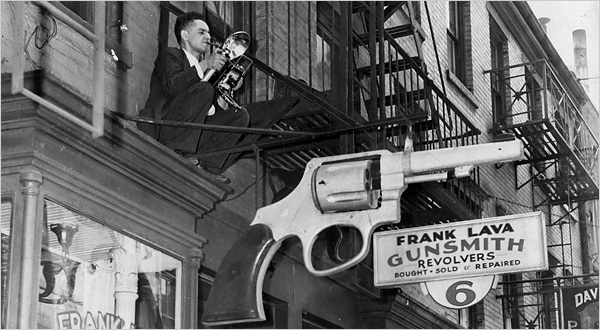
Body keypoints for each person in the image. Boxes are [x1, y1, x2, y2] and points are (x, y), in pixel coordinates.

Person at [138, 11, 250, 182]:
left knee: (240, 116)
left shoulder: (206, 75)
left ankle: (208, 167)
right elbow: (172, 86)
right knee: (204, 89)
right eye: (201, 32)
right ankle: (180, 154)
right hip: (166, 127)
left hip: (191, 135)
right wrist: (206, 64)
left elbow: (210, 113)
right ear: (185, 35)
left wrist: (227, 88)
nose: (208, 36)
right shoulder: (170, 55)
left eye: (208, 32)